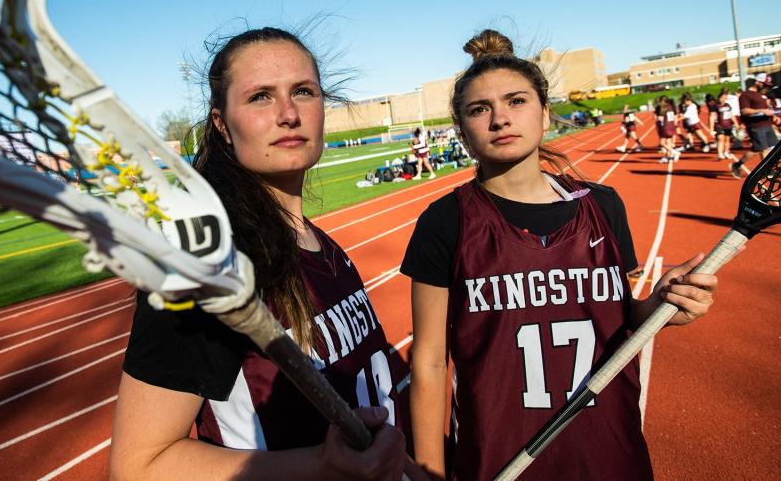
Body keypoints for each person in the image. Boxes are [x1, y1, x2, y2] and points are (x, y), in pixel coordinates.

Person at [402, 29, 719, 481]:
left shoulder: (603, 205)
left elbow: (619, 316)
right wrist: (428, 473)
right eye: (479, 109)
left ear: (545, 114)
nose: (500, 120)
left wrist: (662, 307)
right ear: (463, 131)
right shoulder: (445, 221)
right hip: (498, 455)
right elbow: (430, 361)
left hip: (607, 444)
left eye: (516, 101)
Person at [110, 27, 419, 481]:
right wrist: (321, 465)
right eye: (260, 97)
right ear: (221, 123)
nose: (289, 114)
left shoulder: (319, 242)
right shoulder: (207, 265)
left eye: (303, 91)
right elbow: (139, 467)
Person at [731, 73, 779, 179]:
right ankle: (737, 165)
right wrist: (763, 110)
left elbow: (766, 111)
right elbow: (744, 111)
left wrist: (773, 117)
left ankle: (767, 169)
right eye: (765, 85)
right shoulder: (745, 95)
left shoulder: (761, 95)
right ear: (758, 82)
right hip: (756, 126)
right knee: (758, 149)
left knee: (771, 147)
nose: (767, 87)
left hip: (767, 125)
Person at [710, 89, 739, 161]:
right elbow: (712, 116)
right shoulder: (715, 106)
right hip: (719, 125)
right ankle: (720, 153)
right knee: (720, 138)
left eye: (725, 98)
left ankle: (726, 152)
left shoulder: (727, 105)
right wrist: (711, 128)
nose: (723, 100)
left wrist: (736, 123)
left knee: (727, 139)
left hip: (728, 124)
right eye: (722, 98)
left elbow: (731, 115)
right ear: (719, 98)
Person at [656, 97, 681, 163]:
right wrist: (675, 125)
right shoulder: (671, 107)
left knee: (662, 143)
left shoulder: (663, 108)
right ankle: (668, 156)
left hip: (665, 127)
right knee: (669, 142)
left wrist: (659, 128)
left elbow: (660, 119)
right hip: (671, 126)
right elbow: (675, 116)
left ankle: (675, 152)